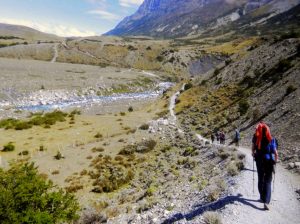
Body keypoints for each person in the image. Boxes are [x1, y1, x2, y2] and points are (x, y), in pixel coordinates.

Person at [252, 121, 278, 210]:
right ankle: (266, 202)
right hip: (268, 160)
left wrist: (253, 154)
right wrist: (275, 161)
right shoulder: (271, 138)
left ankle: (262, 197)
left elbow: (253, 148)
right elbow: (275, 152)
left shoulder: (256, 137)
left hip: (259, 159)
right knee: (268, 180)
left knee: (260, 178)